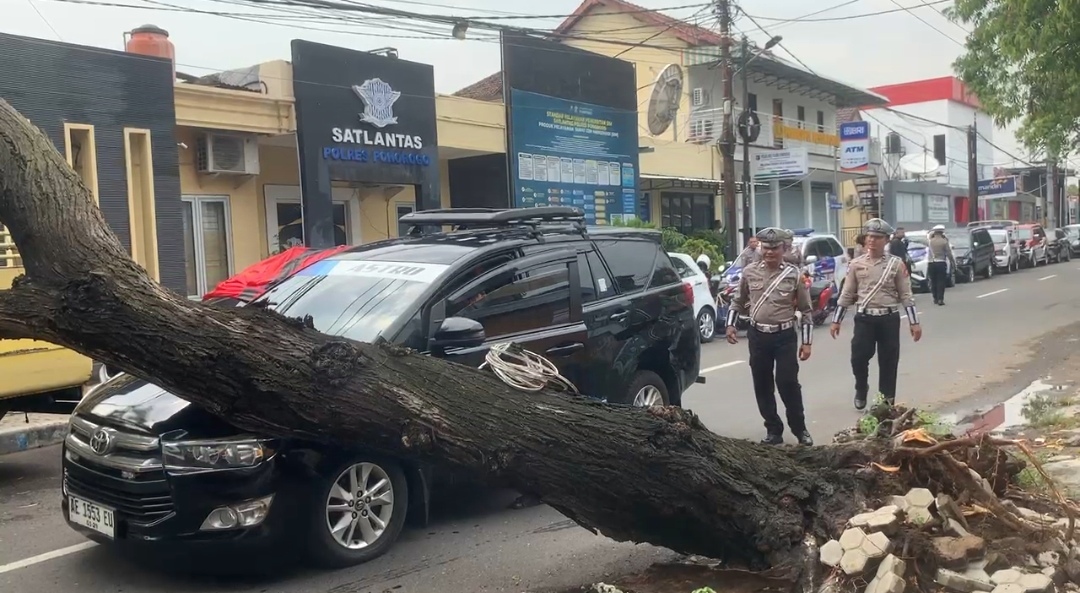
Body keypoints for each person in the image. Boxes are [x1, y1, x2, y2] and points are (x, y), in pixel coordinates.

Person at [726, 227, 815, 446]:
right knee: (762, 384)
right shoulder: (749, 272)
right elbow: (737, 301)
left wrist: (807, 342)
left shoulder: (794, 274)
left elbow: (806, 310)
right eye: (766, 248)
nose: (770, 252)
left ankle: (800, 429)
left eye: (775, 248)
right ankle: (773, 430)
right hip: (758, 336)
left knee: (787, 382)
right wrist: (730, 325)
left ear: (783, 249)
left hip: (784, 336)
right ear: (760, 248)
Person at [830, 218, 923, 410]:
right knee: (858, 357)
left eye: (877, 237)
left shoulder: (896, 264)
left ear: (886, 240)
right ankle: (861, 388)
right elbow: (847, 293)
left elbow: (906, 294)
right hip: (865, 318)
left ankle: (885, 403)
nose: (872, 240)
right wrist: (836, 320)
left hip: (888, 318)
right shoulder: (856, 264)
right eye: (870, 236)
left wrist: (914, 322)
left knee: (889, 361)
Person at [926, 224, 956, 306]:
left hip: (931, 263)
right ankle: (940, 299)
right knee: (941, 281)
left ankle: (935, 297)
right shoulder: (944, 241)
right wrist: (952, 262)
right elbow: (949, 253)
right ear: (942, 232)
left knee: (933, 281)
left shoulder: (930, 241)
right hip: (941, 262)